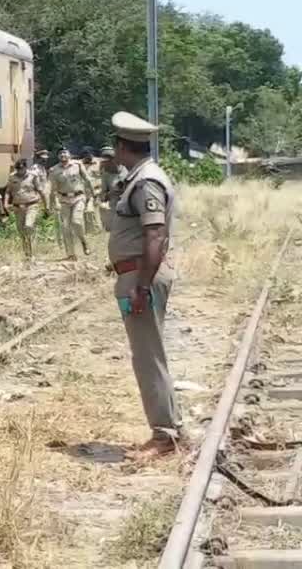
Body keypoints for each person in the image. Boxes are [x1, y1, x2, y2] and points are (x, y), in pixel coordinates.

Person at [108, 112, 184, 459]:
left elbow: (155, 234)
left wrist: (140, 287)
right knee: (149, 354)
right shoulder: (139, 177)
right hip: (137, 276)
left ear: (122, 146)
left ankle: (165, 435)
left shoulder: (145, 182)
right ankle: (170, 426)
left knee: (147, 356)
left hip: (141, 279)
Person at [48, 147, 94, 260]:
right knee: (65, 227)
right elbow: (53, 189)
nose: (63, 154)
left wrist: (92, 194)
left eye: (65, 152)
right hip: (64, 200)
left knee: (76, 221)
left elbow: (87, 179)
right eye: (60, 153)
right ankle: (71, 254)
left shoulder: (77, 165)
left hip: (78, 197)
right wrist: (53, 203)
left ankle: (84, 242)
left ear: (70, 154)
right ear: (58, 156)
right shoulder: (54, 170)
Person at [4, 158, 47, 261]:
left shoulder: (33, 176)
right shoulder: (12, 177)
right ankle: (27, 254)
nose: (19, 171)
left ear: (25, 168)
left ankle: (32, 254)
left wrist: (46, 206)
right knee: (21, 231)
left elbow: (41, 191)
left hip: (31, 205)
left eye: (21, 169)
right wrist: (5, 204)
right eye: (18, 169)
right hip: (18, 208)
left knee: (28, 226)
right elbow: (8, 192)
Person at [98, 146, 128, 231]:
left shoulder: (127, 169)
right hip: (114, 202)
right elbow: (103, 193)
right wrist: (108, 194)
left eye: (111, 160)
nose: (108, 163)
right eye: (105, 161)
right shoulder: (106, 174)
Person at [80, 148, 102, 234]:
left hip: (96, 191)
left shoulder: (100, 163)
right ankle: (88, 230)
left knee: (91, 210)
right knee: (84, 211)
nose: (88, 157)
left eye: (89, 155)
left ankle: (96, 230)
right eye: (86, 156)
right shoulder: (79, 164)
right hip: (83, 192)